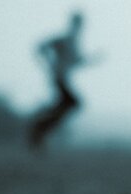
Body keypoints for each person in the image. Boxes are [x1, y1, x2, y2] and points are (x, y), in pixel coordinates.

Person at [28, 11, 94, 152]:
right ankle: (40, 125)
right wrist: (48, 62)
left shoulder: (73, 41)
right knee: (72, 103)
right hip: (59, 77)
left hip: (62, 77)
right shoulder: (64, 39)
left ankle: (41, 126)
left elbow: (76, 62)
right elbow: (41, 46)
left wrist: (92, 60)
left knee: (66, 104)